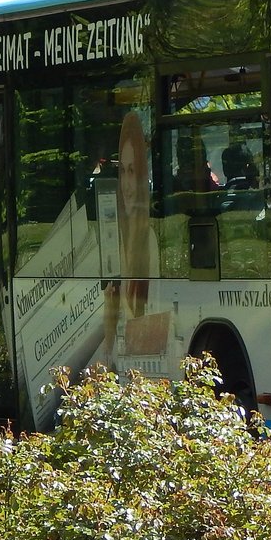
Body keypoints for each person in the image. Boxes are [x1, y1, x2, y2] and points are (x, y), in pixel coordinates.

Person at [101, 111, 164, 368]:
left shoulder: (148, 241)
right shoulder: (111, 239)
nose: (127, 184)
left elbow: (156, 321)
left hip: (139, 369)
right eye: (122, 171)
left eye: (133, 171)